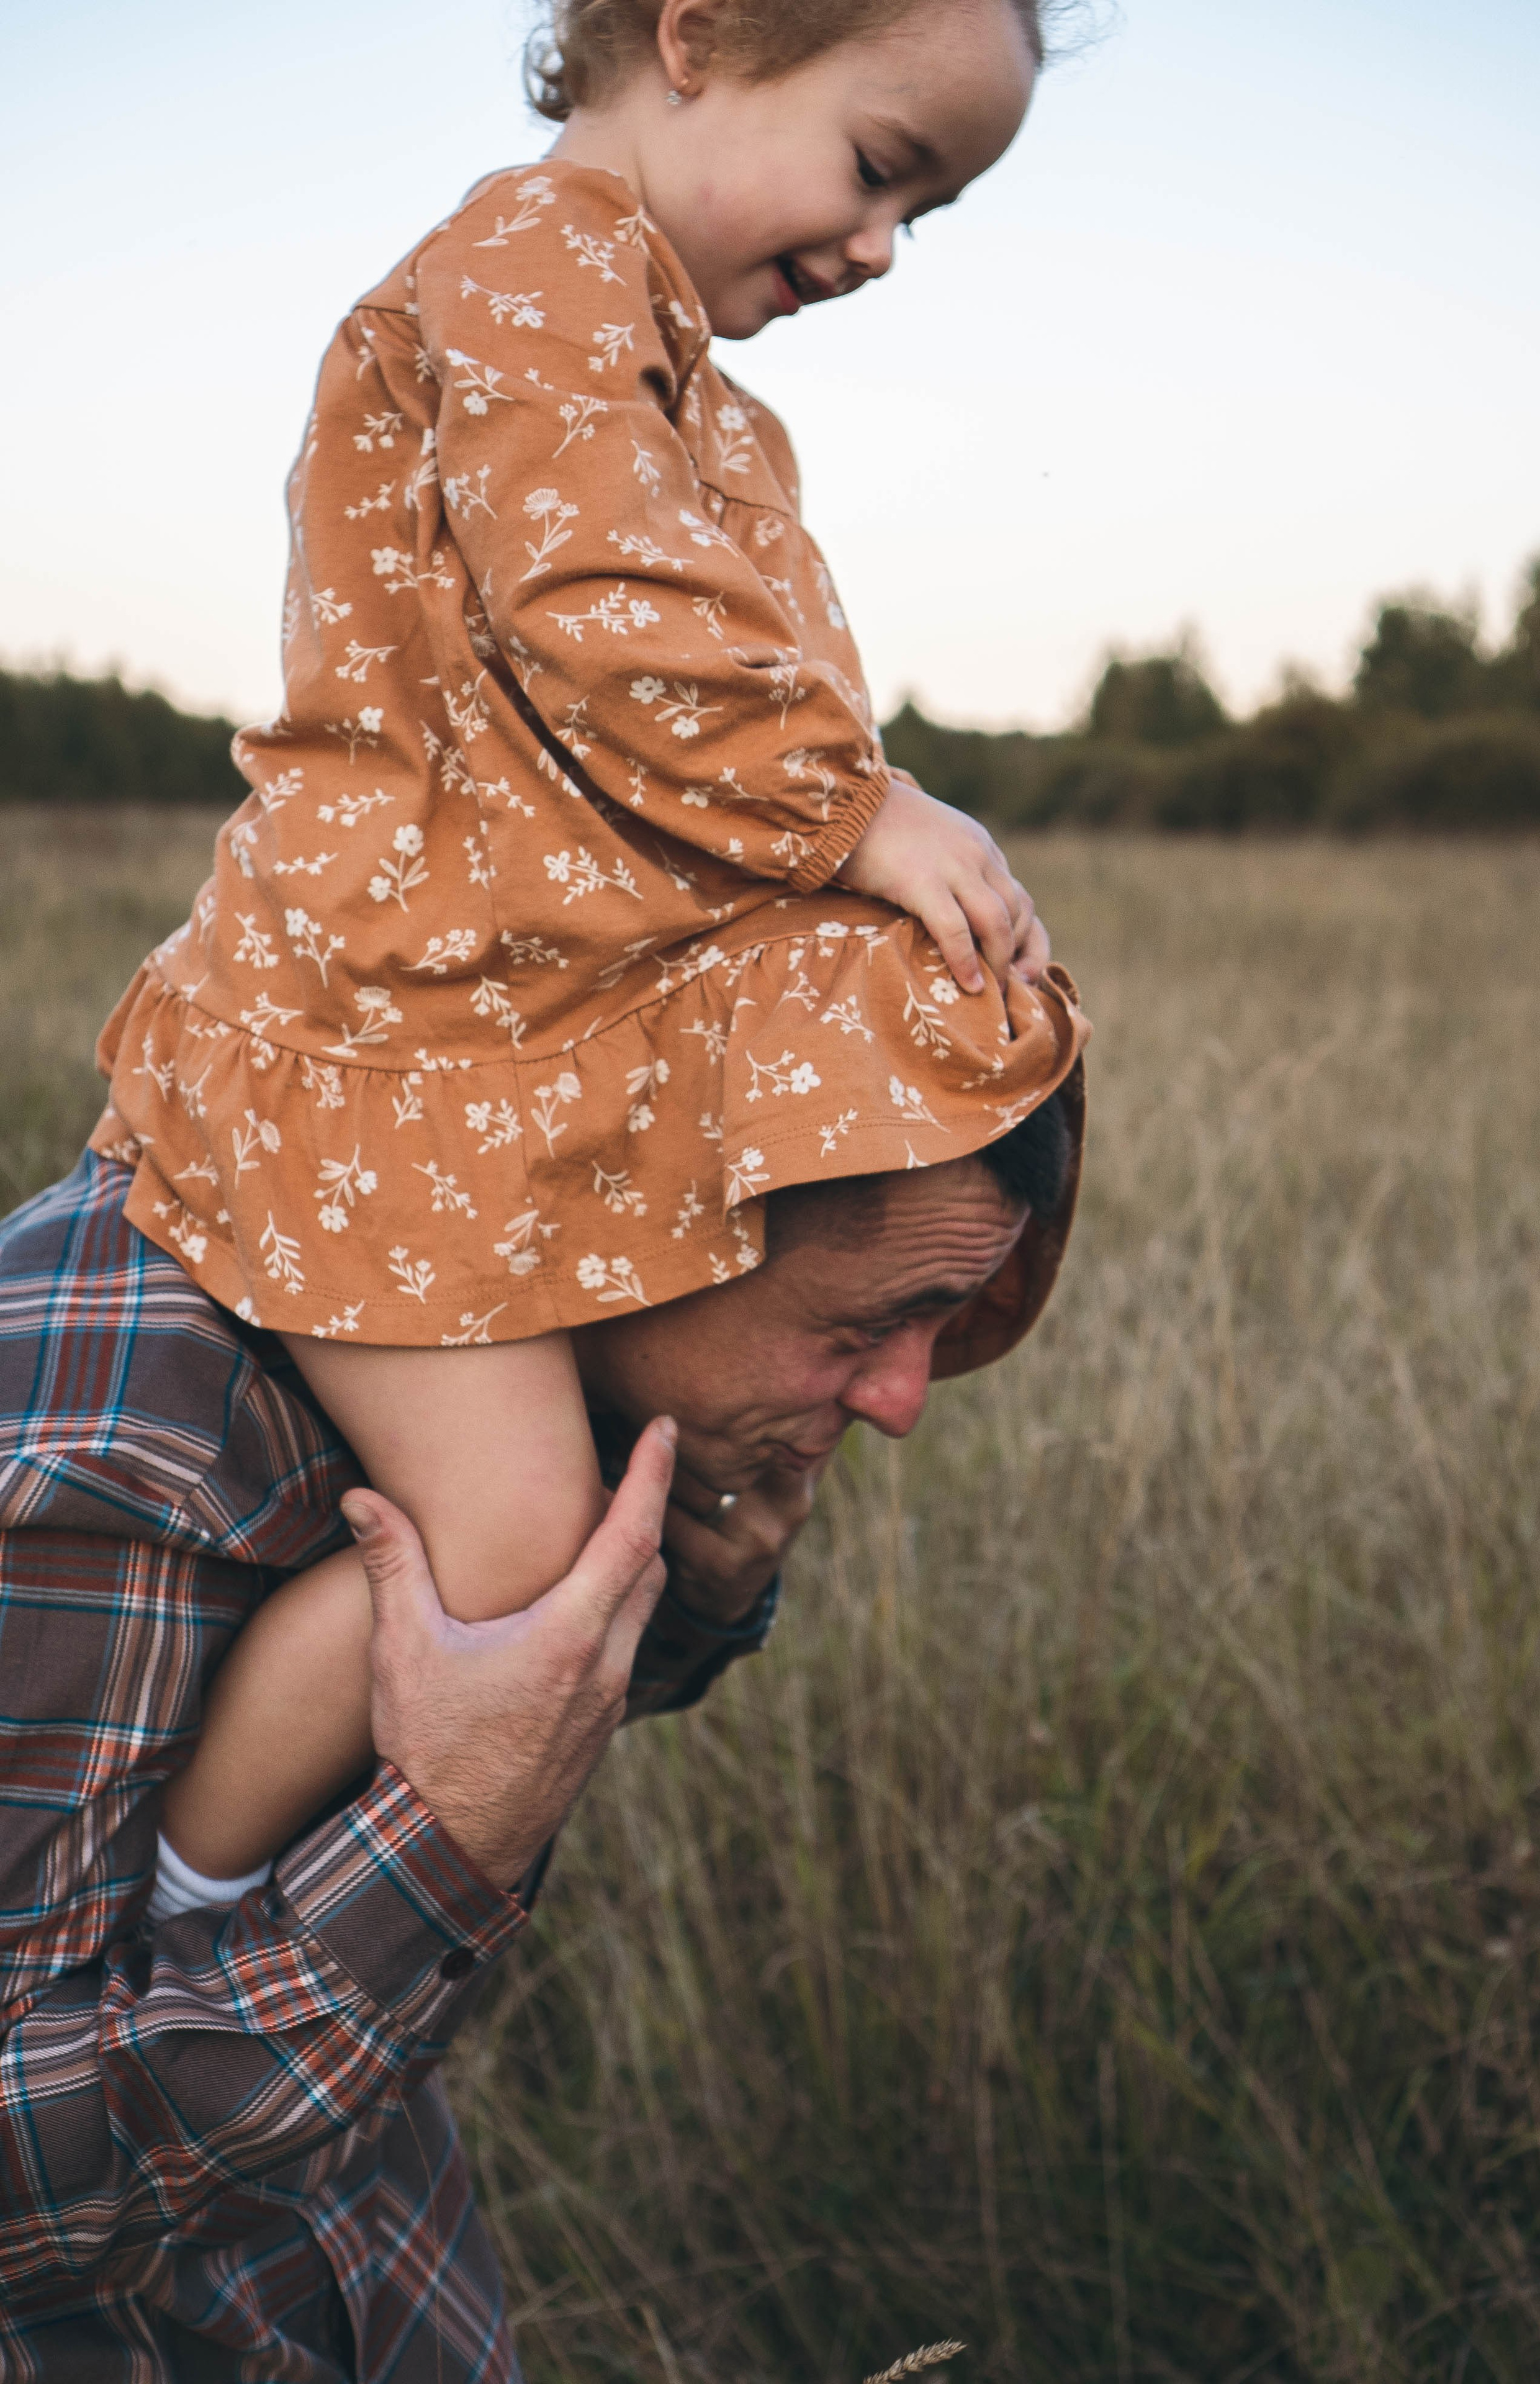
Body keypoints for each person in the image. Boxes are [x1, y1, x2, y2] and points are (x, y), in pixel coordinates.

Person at [86, 0, 1090, 1925]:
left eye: (929, 217)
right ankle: (190, 1890)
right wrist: (854, 813)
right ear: (700, 37)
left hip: (505, 1053)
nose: (883, 247)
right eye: (881, 169)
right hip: (375, 1054)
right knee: (524, 1541)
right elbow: (604, 611)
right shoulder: (533, 265)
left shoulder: (704, 399)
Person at [0, 1079, 1083, 2377]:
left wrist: (687, 1598)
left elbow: (501, 1698)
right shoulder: (117, 1462)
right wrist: (443, 1843)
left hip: (386, 2283)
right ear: (645, 1229)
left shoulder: (511, 1343)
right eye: (867, 1325)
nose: (903, 1399)